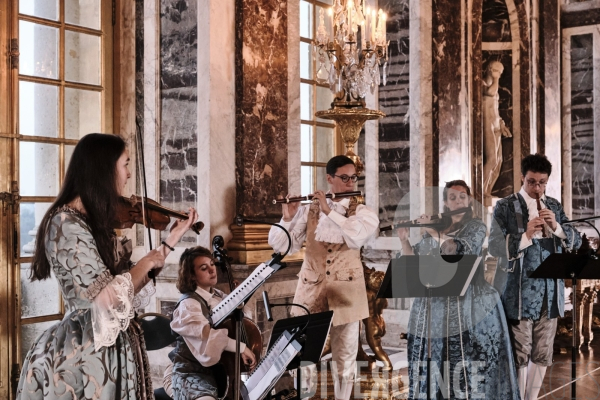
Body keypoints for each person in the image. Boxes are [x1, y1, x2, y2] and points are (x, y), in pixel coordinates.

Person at [16, 133, 199, 399]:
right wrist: (148, 260)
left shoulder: (87, 220)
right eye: (125, 164)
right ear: (104, 168)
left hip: (108, 350)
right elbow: (107, 298)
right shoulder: (65, 225)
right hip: (86, 356)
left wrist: (170, 240)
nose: (128, 175)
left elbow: (125, 286)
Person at [268, 155, 379, 400]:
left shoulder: (362, 212)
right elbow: (282, 246)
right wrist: (287, 217)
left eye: (353, 178)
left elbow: (355, 237)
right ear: (329, 179)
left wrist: (329, 211)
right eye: (344, 178)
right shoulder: (309, 209)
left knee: (345, 356)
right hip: (310, 289)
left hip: (347, 293)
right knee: (305, 355)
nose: (350, 183)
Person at [398, 180, 520, 399]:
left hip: (471, 299)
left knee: (469, 363)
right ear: (445, 202)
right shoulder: (437, 227)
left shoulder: (477, 226)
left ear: (469, 200)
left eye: (462, 196)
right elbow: (413, 262)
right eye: (452, 197)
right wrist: (405, 240)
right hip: (436, 302)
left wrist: (431, 232)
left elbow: (456, 250)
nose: (458, 201)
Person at [490, 154, 581, 400]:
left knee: (542, 352)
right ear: (522, 177)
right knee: (520, 353)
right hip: (519, 291)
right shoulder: (505, 206)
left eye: (542, 182)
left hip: (550, 292)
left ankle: (530, 398)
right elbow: (494, 245)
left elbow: (576, 240)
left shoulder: (554, 205)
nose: (537, 188)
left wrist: (559, 229)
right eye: (532, 182)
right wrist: (525, 235)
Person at [169, 246, 257, 400]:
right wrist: (241, 348)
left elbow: (245, 321)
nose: (212, 270)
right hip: (191, 373)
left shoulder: (216, 295)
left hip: (219, 371)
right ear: (191, 276)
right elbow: (206, 335)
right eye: (204, 268)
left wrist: (238, 301)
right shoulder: (189, 304)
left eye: (212, 264)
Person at [483, 60, 512, 205]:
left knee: (499, 161)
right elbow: (490, 92)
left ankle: (488, 189)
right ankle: (481, 190)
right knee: (492, 159)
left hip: (495, 124)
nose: (498, 75)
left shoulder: (495, 88)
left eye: (500, 73)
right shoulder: (483, 84)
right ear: (489, 69)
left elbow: (496, 110)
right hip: (487, 124)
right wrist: (495, 79)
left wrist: (502, 125)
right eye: (496, 71)